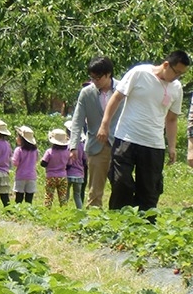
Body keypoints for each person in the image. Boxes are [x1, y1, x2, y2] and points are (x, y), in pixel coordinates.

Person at [97, 51, 189, 211]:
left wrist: (172, 146)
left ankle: (144, 229)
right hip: (126, 138)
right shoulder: (139, 73)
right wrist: (104, 124)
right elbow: (117, 98)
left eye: (181, 74)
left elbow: (172, 119)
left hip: (154, 144)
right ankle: (118, 224)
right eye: (177, 72)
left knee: (149, 191)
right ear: (166, 65)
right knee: (121, 183)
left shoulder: (176, 88)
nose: (178, 77)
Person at [68, 57, 118, 207]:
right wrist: (73, 146)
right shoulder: (86, 93)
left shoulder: (123, 89)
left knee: (122, 186)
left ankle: (120, 220)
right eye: (92, 77)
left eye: (98, 77)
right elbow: (77, 120)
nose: (95, 81)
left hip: (120, 144)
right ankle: (94, 222)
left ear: (108, 74)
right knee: (95, 190)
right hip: (97, 146)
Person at [41, 128, 71, 207]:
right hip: (62, 176)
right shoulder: (67, 152)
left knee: (49, 195)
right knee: (63, 197)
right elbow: (69, 165)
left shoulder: (49, 151)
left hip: (51, 176)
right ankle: (64, 210)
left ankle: (47, 209)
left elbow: (43, 163)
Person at [12, 125, 38, 204]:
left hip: (21, 176)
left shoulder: (19, 150)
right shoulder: (35, 151)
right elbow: (36, 160)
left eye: (18, 136)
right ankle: (28, 211)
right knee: (29, 198)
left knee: (19, 197)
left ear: (21, 139)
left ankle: (18, 211)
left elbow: (15, 163)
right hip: (32, 176)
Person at [65, 122, 87, 210]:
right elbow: (85, 159)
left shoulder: (68, 145)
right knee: (77, 195)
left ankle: (64, 210)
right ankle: (80, 210)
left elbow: (66, 159)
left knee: (65, 194)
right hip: (79, 174)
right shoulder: (82, 145)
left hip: (68, 173)